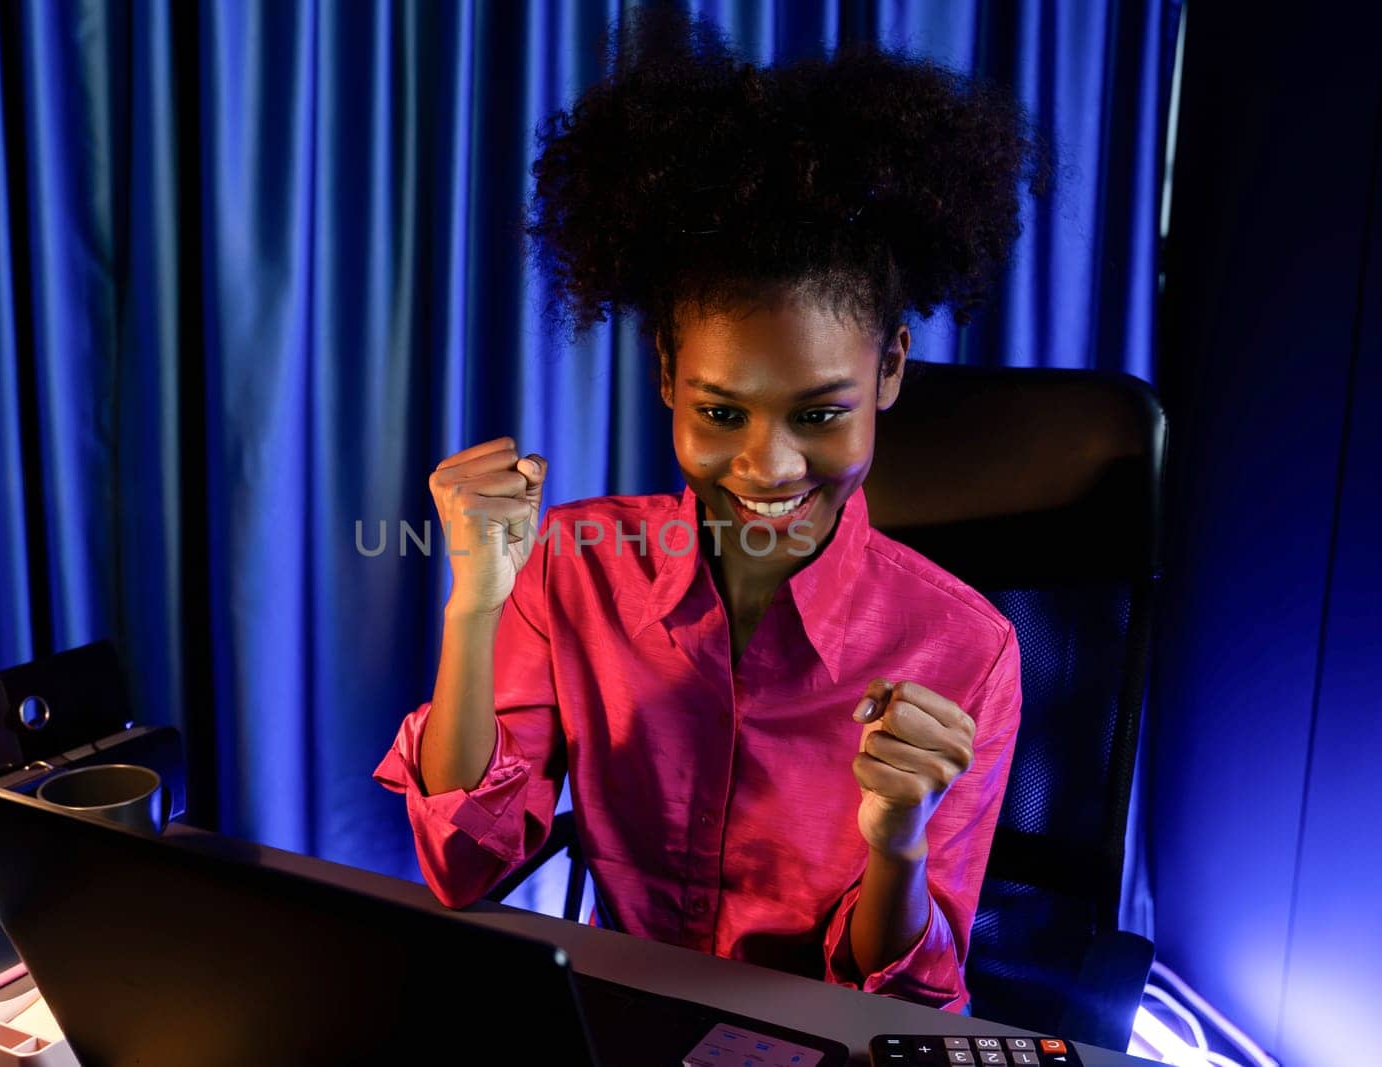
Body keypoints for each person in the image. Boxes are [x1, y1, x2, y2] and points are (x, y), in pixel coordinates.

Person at [374, 9, 1046, 1012]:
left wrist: (896, 845)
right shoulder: (572, 565)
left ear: (892, 366)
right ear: (664, 376)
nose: (767, 463)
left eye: (820, 411)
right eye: (721, 410)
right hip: (620, 1021)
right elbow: (467, 864)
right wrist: (475, 606)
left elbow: (899, 1007)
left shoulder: (966, 648)